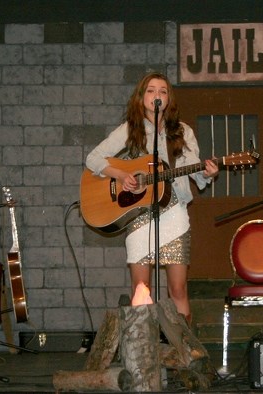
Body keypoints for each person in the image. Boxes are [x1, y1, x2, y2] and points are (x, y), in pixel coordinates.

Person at [85, 72, 218, 324]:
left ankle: (181, 351)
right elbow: (93, 158)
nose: (157, 95)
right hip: (139, 215)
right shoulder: (130, 129)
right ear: (141, 97)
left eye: (163, 91)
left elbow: (195, 172)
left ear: (168, 99)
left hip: (174, 213)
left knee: (178, 289)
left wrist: (207, 173)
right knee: (141, 289)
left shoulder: (182, 131)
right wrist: (123, 175)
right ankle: (143, 351)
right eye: (151, 90)